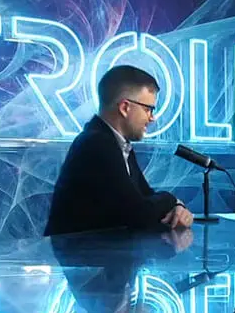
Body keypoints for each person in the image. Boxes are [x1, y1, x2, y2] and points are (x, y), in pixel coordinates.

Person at [44, 65, 194, 236]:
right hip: (79, 252)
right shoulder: (96, 144)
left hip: (98, 250)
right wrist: (171, 199)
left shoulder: (116, 143)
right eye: (148, 109)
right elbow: (138, 213)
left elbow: (146, 197)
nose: (152, 118)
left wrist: (176, 207)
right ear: (124, 107)